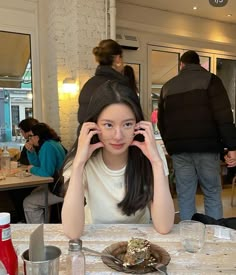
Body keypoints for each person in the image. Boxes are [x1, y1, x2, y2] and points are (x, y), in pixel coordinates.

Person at [62, 80, 175, 239]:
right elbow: (72, 232)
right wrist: (79, 164)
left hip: (139, 244)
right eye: (108, 125)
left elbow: (164, 226)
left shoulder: (151, 155)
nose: (118, 136)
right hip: (96, 241)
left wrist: (156, 163)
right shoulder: (82, 159)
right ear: (94, 126)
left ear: (138, 124)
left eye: (127, 124)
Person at [158, 50, 236, 221]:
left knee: (185, 195)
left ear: (181, 65)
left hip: (180, 151)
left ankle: (188, 238)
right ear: (198, 63)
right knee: (212, 192)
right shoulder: (211, 80)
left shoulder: (168, 86)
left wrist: (171, 146)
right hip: (207, 149)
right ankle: (213, 235)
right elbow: (223, 116)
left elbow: (161, 123)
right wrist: (232, 147)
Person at [77, 39, 136, 124]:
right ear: (118, 59)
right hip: (108, 137)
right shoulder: (117, 87)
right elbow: (128, 123)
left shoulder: (88, 84)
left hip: (85, 136)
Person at [23, 122, 67, 223]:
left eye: (31, 136)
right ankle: (46, 224)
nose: (30, 139)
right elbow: (40, 165)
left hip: (61, 189)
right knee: (34, 192)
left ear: (37, 137)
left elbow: (46, 172)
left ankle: (39, 234)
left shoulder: (47, 147)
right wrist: (31, 152)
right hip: (61, 185)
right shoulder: (53, 143)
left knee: (28, 202)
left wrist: (31, 169)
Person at [8, 117, 39, 223]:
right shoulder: (30, 142)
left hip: (43, 180)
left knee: (17, 191)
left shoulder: (40, 144)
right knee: (14, 190)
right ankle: (22, 217)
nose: (21, 133)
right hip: (36, 175)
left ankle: (23, 219)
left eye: (21, 131)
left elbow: (33, 163)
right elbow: (24, 160)